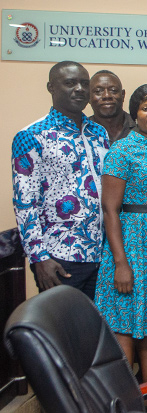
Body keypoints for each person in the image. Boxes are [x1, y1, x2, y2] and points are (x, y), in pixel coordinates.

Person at [93, 84, 147, 413]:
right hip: (128, 239)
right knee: (125, 321)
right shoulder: (122, 150)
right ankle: (128, 400)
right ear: (135, 113)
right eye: (146, 108)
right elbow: (110, 209)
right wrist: (120, 263)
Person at [12, 61, 110, 298]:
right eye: (70, 83)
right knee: (62, 330)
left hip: (101, 255)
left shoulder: (99, 133)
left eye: (84, 84)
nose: (79, 89)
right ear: (51, 87)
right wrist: (39, 258)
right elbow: (25, 202)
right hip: (59, 258)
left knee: (95, 331)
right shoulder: (30, 136)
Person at [89, 70, 134, 142]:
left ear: (123, 95)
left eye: (113, 90)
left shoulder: (140, 128)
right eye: (98, 91)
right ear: (89, 97)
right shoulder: (81, 130)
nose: (106, 96)